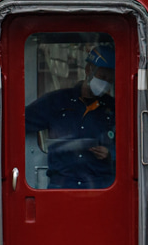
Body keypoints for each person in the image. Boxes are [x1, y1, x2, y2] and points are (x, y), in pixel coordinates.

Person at [25, 44, 115, 189]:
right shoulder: (56, 101)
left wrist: (111, 153)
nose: (105, 83)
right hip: (61, 187)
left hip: (101, 189)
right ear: (88, 70)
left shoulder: (114, 108)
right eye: (102, 76)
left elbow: (130, 145)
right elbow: (19, 121)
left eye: (110, 80)